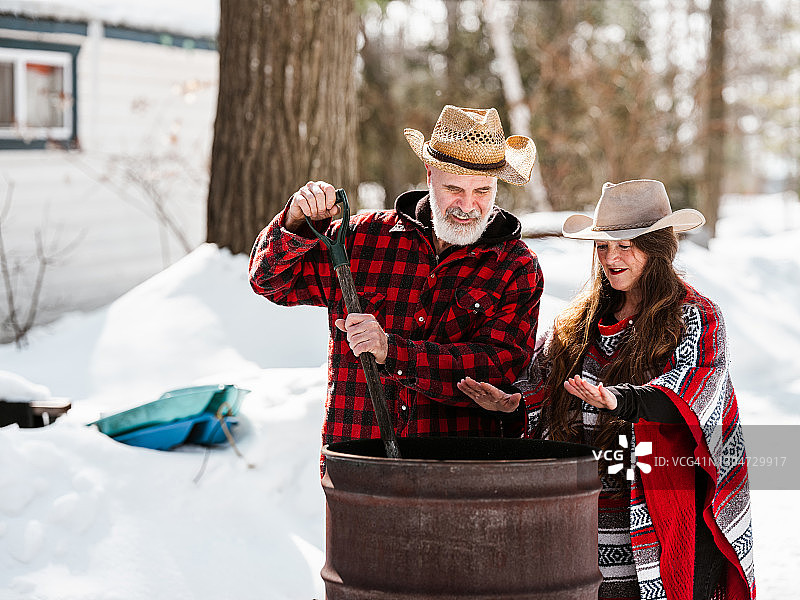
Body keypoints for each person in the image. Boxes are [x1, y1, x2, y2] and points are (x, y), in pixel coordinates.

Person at [458, 179, 755, 600]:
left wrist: (623, 399)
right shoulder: (577, 321)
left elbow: (695, 389)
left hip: (660, 499)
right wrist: (513, 401)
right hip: (587, 507)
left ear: (657, 248)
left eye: (626, 245)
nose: (611, 258)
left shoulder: (696, 315)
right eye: (602, 246)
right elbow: (544, 382)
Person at [249, 105, 544, 465]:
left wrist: (393, 352)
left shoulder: (515, 266)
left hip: (456, 469)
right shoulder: (361, 238)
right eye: (454, 188)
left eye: (482, 190)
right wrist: (294, 222)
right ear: (429, 173)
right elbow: (270, 281)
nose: (468, 206)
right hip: (357, 463)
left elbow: (498, 368)